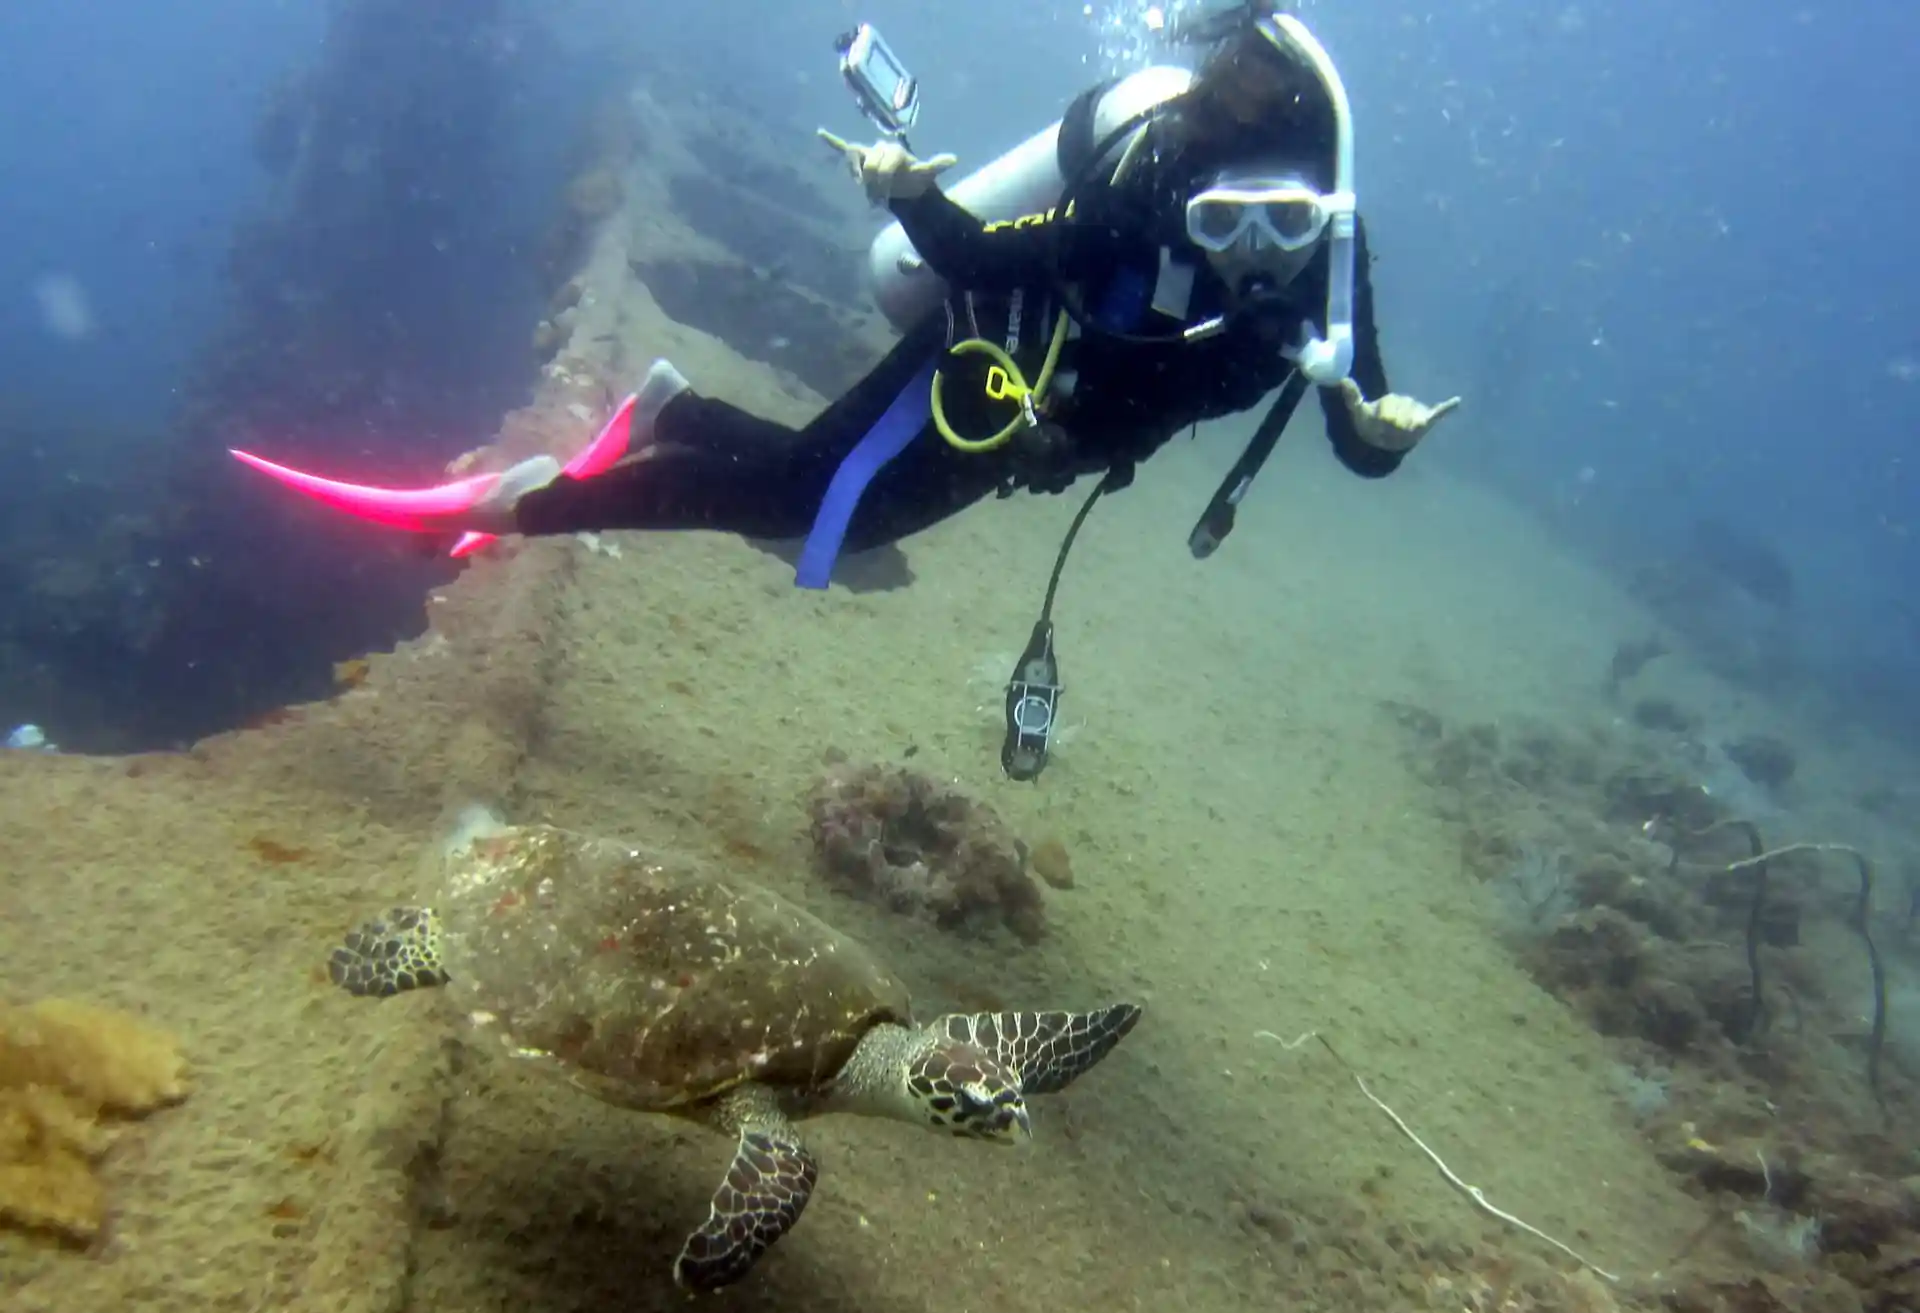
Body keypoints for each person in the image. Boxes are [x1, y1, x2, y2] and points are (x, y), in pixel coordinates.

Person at [230, 3, 1460, 775]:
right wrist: (907, 193)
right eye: (1224, 220)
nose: (1251, 248)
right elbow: (987, 262)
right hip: (992, 370)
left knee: (802, 487)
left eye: (1281, 222)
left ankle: (665, 412)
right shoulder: (1137, 197)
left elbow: (1360, 432)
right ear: (1184, 189)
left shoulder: (1325, 281)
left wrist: (1380, 433)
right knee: (810, 502)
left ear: (1324, 209)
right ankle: (519, 505)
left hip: (1047, 436)